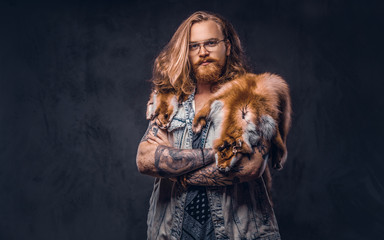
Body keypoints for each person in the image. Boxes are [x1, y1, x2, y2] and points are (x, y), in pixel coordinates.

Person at [137, 11, 283, 240]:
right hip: (173, 233)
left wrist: (176, 169)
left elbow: (249, 168)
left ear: (227, 46)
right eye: (194, 46)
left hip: (238, 234)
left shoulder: (254, 94)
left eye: (211, 43)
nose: (202, 52)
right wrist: (217, 153)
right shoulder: (169, 99)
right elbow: (145, 159)